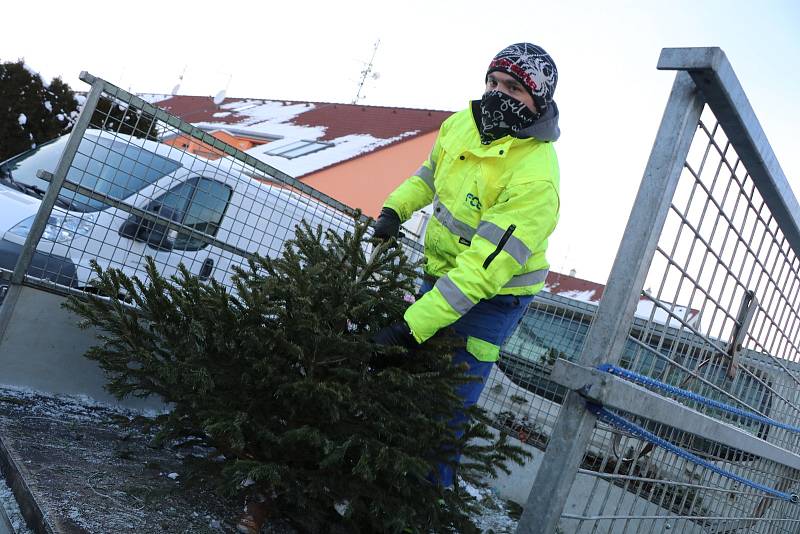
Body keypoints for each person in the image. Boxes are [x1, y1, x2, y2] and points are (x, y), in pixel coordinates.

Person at [372, 42, 561, 487]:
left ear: (539, 100)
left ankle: (423, 500)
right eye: (493, 82)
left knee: (447, 405)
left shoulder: (537, 177)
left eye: (513, 88)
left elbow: (478, 274)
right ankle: (379, 485)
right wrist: (394, 210)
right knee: (411, 380)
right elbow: (428, 174)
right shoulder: (460, 124)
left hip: (494, 299)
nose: (497, 94)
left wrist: (407, 327)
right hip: (441, 274)